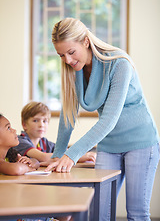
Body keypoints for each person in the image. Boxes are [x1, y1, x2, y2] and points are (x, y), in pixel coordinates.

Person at [43, 17, 159, 221]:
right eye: (61, 55)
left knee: (137, 213)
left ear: (86, 42)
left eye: (71, 52)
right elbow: (67, 117)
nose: (67, 60)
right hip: (109, 144)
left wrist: (72, 155)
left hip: (140, 142)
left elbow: (109, 119)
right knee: (99, 213)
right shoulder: (72, 71)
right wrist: (58, 154)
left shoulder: (119, 63)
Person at [14, 101, 96, 164]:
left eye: (45, 121)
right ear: (24, 125)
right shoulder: (20, 141)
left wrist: (83, 155)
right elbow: (43, 157)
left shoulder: (44, 142)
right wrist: (81, 157)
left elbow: (63, 151)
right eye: (35, 120)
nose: (41, 125)